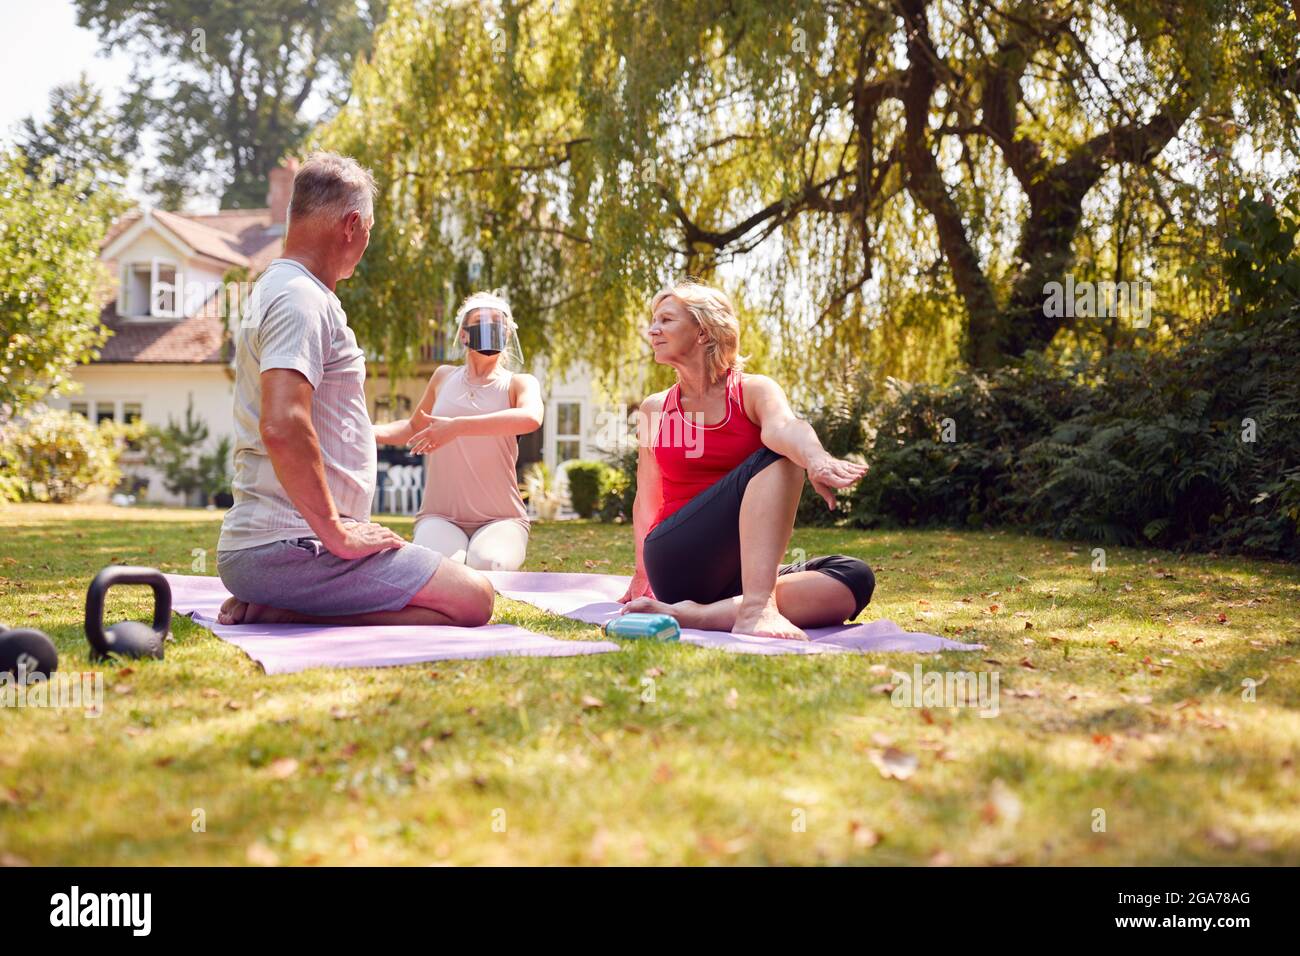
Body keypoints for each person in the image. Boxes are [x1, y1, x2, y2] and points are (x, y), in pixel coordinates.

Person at [215, 152, 494, 627]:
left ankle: (284, 604)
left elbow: (316, 421)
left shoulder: (283, 289)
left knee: (459, 593)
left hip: (287, 547)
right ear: (352, 225)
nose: (366, 242)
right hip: (297, 546)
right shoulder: (299, 297)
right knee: (475, 599)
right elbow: (283, 424)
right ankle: (285, 609)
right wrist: (336, 534)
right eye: (368, 230)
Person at [619, 280, 875, 640]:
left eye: (666, 320)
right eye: (653, 320)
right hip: (677, 556)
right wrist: (641, 574)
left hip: (737, 573)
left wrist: (816, 459)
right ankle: (756, 608)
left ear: (704, 333)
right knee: (780, 458)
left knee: (852, 578)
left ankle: (699, 615)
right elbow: (647, 497)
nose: (653, 329)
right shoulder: (655, 409)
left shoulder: (753, 391)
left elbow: (786, 426)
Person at [374, 292, 542, 571]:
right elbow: (413, 428)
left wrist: (458, 427)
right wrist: (364, 430)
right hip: (440, 516)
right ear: (464, 335)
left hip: (501, 519)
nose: (490, 329)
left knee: (489, 564)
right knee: (439, 568)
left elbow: (530, 417)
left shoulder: (519, 383)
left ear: (509, 335)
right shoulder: (442, 376)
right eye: (480, 322)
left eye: (498, 323)